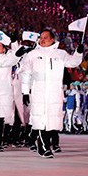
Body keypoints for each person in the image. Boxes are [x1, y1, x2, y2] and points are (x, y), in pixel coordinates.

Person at [20, 29, 83, 158]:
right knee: (40, 119)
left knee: (51, 121)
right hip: (38, 91)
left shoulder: (60, 54)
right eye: (41, 38)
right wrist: (25, 92)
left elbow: (73, 62)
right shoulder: (32, 54)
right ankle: (45, 147)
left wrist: (78, 52)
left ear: (52, 40)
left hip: (54, 92)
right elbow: (25, 73)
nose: (42, 40)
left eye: (45, 38)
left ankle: (43, 145)